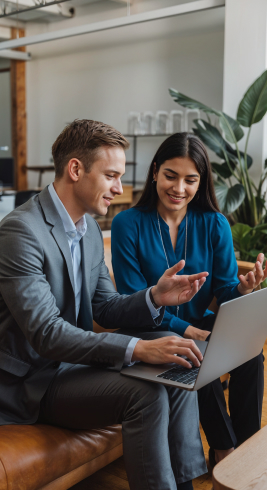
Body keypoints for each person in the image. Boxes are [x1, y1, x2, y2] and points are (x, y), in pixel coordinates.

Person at [0, 121, 209, 490]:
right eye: (111, 175)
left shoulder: (89, 228)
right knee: (145, 393)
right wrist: (140, 348)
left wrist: (155, 296)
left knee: (172, 365)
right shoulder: (20, 232)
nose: (119, 188)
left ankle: (186, 484)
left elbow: (105, 307)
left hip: (70, 364)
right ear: (76, 169)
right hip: (31, 382)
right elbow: (47, 333)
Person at [111, 132, 267, 467]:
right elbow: (131, 298)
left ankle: (246, 450)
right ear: (155, 171)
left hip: (199, 324)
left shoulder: (215, 223)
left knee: (250, 353)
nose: (179, 188)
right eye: (171, 175)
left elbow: (225, 290)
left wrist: (243, 289)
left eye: (190, 179)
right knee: (197, 354)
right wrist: (187, 330)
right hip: (149, 327)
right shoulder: (127, 223)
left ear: (201, 182)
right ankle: (225, 449)